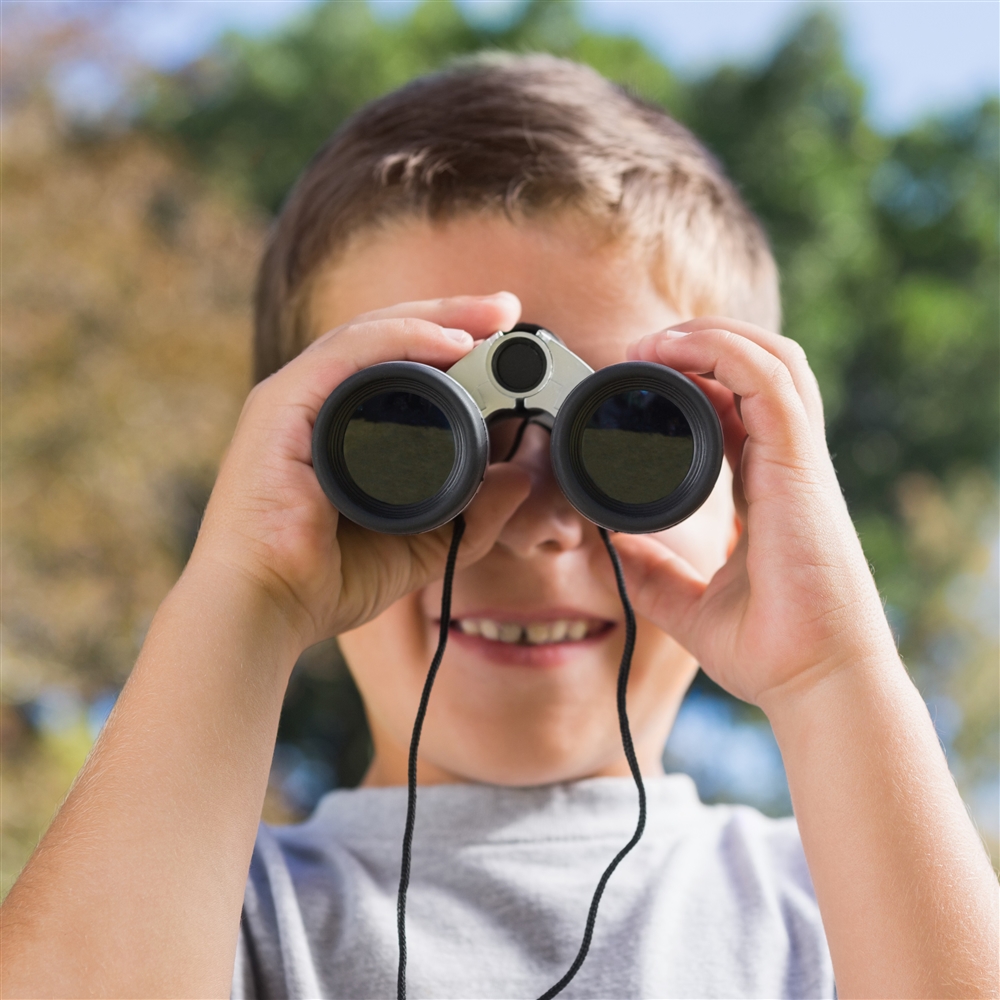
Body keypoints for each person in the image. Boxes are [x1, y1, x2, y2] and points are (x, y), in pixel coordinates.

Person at [2, 55, 996, 1000]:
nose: (525, 526)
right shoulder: (194, 907)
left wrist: (835, 674)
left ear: (744, 504)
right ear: (300, 476)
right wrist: (244, 597)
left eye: (630, 436)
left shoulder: (849, 913)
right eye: (413, 440)